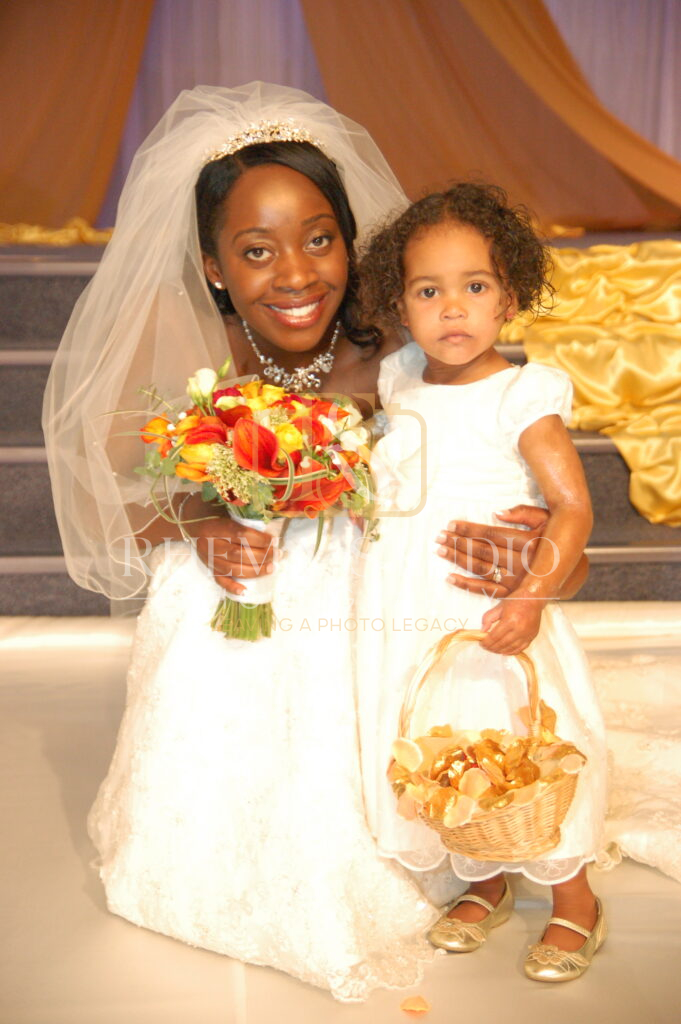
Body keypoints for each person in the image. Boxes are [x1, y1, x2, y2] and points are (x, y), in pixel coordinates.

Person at [42, 85, 585, 1000]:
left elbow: (486, 464)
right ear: (215, 267)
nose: (295, 273)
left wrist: (521, 547)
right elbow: (112, 501)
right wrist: (199, 520)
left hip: (370, 595)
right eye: (255, 252)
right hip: (235, 596)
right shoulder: (176, 344)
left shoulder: (405, 347)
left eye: (320, 238)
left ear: (352, 239)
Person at [357, 182, 608, 982]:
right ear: (400, 304)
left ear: (509, 297)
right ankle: (483, 878)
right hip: (408, 605)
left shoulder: (521, 395)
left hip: (492, 606)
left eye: (475, 287)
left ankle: (573, 901)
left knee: (515, 743)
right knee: (441, 747)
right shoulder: (397, 380)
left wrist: (529, 595)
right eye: (429, 291)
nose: (452, 307)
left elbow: (572, 509)